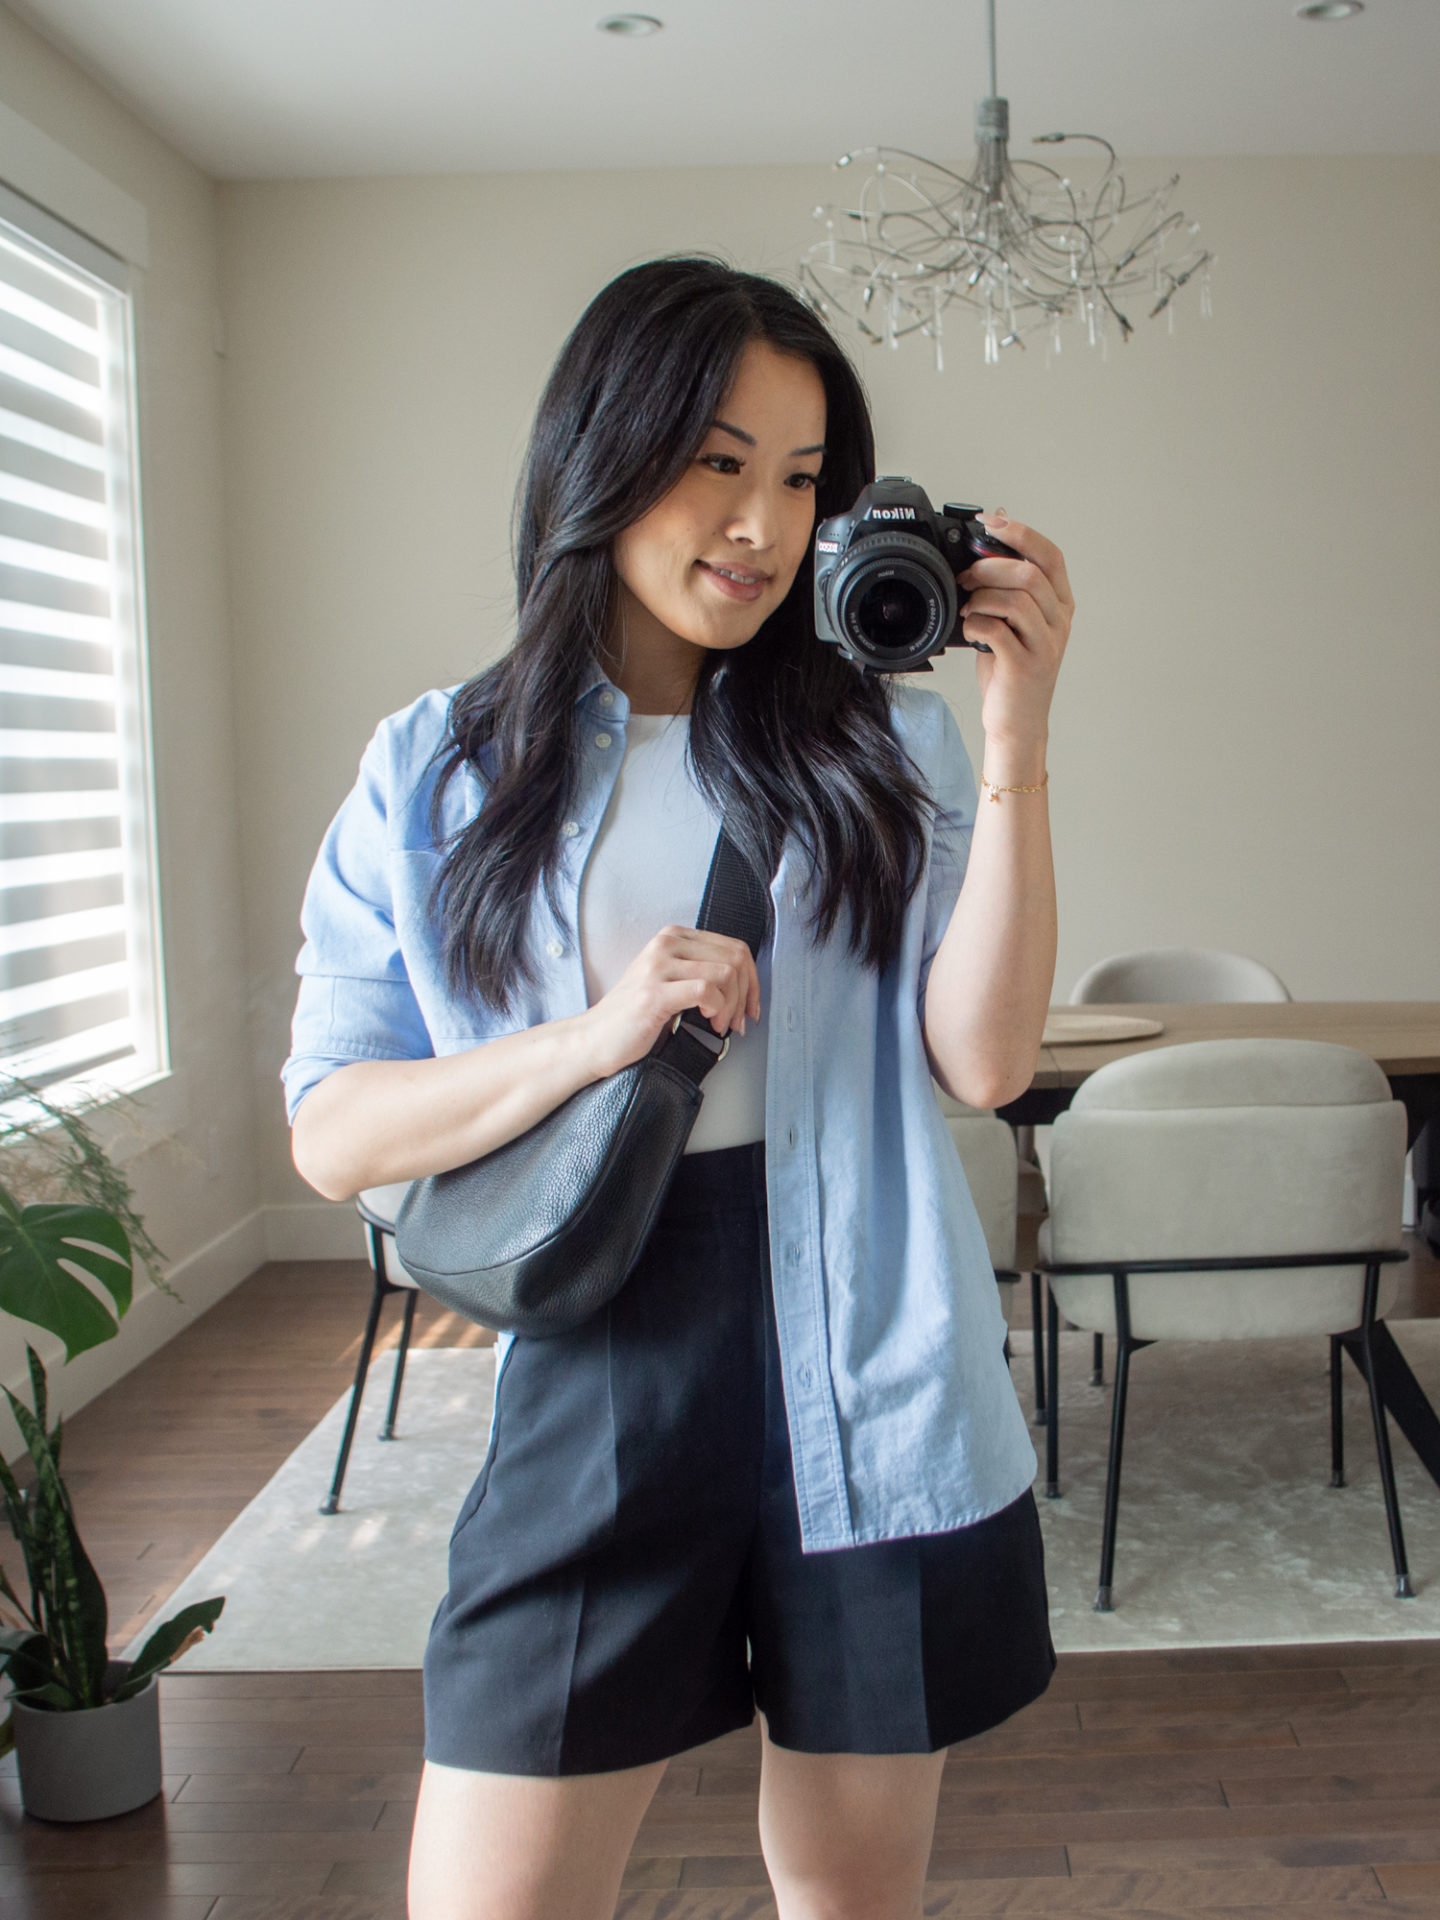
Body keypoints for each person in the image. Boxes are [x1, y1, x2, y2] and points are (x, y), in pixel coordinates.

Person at [284, 256, 1073, 1920]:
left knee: (852, 1901)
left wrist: (1015, 743)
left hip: (876, 1360)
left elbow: (987, 1067)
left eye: (801, 480)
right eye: (719, 461)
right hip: (600, 1363)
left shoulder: (889, 742)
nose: (763, 526)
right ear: (606, 451)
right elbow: (333, 1132)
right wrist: (589, 1042)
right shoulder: (438, 770)